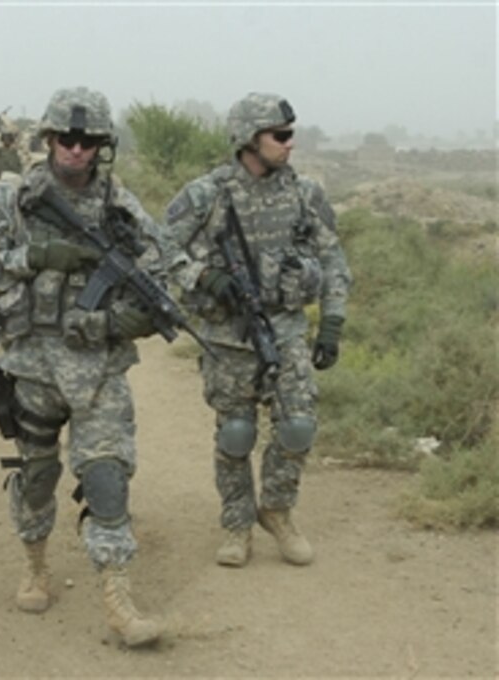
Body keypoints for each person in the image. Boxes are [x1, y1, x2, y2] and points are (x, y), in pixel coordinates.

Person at [0, 86, 166, 648]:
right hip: (31, 369)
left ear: (102, 146)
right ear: (50, 140)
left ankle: (119, 599)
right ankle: (35, 563)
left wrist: (116, 322)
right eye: (67, 139)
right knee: (38, 479)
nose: (76, 150)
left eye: (88, 141)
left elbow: (164, 274)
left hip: (98, 373)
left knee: (107, 478)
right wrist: (30, 257)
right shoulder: (15, 201)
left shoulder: (120, 207)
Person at [160, 92, 352, 568]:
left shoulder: (305, 194)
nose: (290, 144)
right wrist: (202, 276)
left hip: (284, 329)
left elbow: (333, 259)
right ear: (250, 139)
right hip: (228, 336)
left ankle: (278, 509)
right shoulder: (207, 193)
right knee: (237, 433)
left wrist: (331, 321)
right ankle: (237, 524)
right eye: (280, 135)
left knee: (298, 424)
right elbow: (155, 247)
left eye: (290, 134)